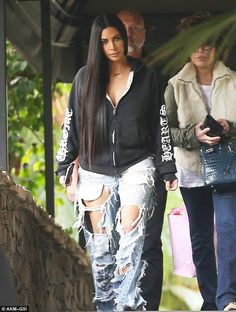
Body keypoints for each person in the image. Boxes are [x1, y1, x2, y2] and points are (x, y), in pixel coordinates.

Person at [56, 13, 177, 311]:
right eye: (105, 41)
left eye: (117, 38)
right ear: (97, 45)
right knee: (101, 250)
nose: (113, 46)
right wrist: (64, 163)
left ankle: (127, 306)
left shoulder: (146, 75)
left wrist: (167, 166)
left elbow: (160, 123)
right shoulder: (85, 78)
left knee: (131, 236)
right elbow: (71, 124)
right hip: (95, 170)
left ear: (124, 39)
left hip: (137, 164)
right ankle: (107, 307)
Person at [165, 11, 236, 311]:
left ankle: (227, 298)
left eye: (207, 43)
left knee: (230, 227)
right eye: (195, 44)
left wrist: (230, 128)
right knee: (201, 238)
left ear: (217, 47)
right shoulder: (175, 85)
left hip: (227, 169)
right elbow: (165, 131)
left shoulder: (233, 81)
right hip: (192, 170)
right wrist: (193, 135)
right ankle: (211, 300)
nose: (201, 50)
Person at [117, 9, 168, 310]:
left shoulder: (159, 70)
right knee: (115, 241)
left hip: (152, 168)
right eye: (124, 28)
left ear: (145, 33)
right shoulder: (98, 72)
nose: (131, 33)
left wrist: (166, 167)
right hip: (110, 171)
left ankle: (147, 307)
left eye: (136, 28)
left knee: (148, 243)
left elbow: (165, 121)